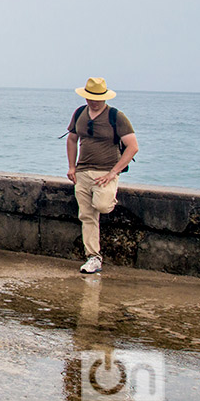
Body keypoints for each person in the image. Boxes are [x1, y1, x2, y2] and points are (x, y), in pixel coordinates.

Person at [66, 77, 138, 275]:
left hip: (106, 172)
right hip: (82, 172)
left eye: (98, 98)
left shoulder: (116, 117)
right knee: (87, 216)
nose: (94, 101)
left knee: (102, 206)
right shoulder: (80, 113)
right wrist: (71, 166)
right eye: (90, 97)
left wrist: (114, 172)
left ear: (105, 97)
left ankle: (110, 192)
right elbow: (72, 139)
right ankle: (93, 257)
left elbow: (132, 147)